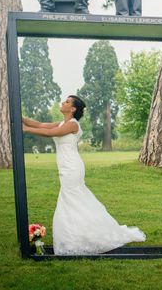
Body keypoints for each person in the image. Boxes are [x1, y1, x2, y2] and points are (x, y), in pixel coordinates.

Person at [22, 95, 145, 255]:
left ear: (73, 109)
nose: (63, 102)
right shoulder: (62, 122)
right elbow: (40, 124)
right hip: (65, 167)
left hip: (72, 168)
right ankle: (78, 236)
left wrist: (25, 129)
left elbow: (51, 132)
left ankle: (79, 237)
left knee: (71, 199)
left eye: (67, 102)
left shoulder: (73, 125)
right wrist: (21, 118)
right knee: (75, 201)